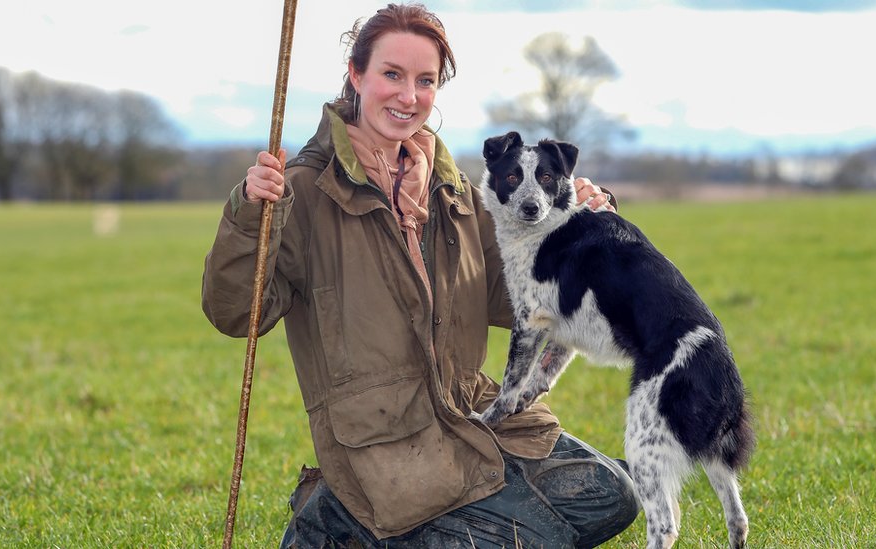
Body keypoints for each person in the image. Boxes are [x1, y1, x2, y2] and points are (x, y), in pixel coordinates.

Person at [202, 3, 638, 547]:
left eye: (425, 80)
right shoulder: (305, 192)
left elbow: (522, 300)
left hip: (472, 414)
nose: (409, 97)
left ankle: (350, 527)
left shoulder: (454, 191)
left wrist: (578, 228)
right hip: (383, 447)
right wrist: (251, 212)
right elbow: (236, 312)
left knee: (615, 494)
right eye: (392, 75)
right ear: (356, 75)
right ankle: (337, 520)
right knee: (542, 540)